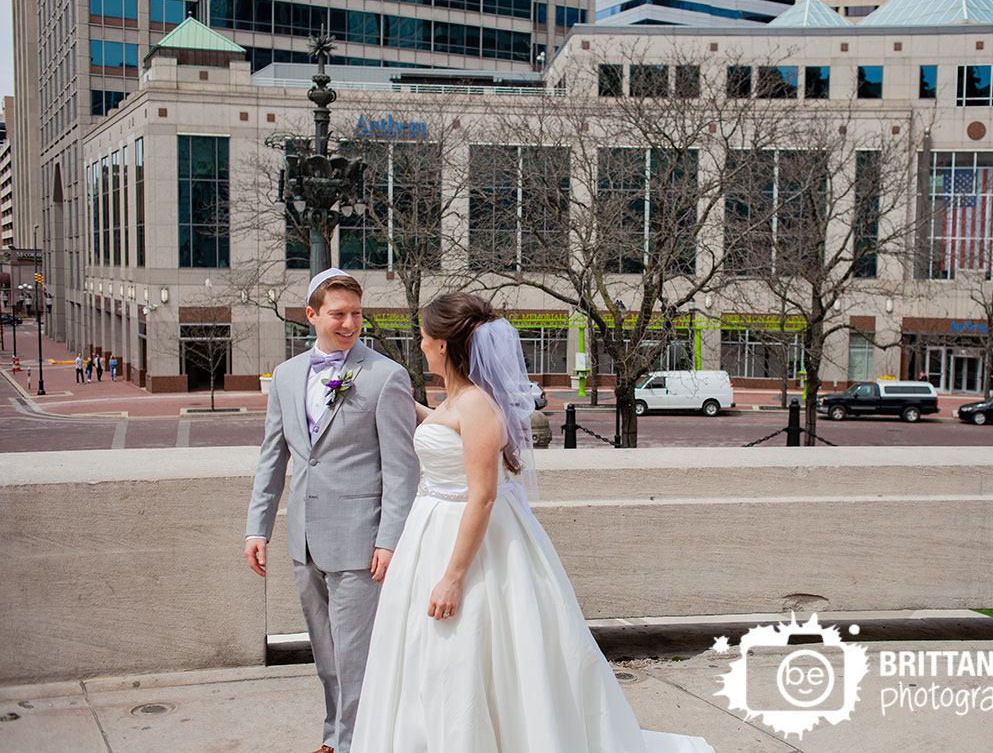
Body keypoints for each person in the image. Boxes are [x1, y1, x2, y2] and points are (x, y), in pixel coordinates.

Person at [352, 292, 712, 753]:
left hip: (467, 542)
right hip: (432, 529)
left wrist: (452, 577)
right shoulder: (456, 399)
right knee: (433, 655)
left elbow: (481, 499)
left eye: (423, 336)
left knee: (471, 652)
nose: (420, 344)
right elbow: (441, 430)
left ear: (443, 344)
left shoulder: (477, 405)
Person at [244, 268, 419, 753]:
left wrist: (389, 539)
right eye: (338, 314)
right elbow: (273, 456)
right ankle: (338, 735)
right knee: (326, 654)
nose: (349, 324)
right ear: (312, 315)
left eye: (356, 314)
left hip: (360, 541)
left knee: (355, 655)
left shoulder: (386, 376)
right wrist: (257, 527)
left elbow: (401, 471)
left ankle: (350, 744)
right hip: (303, 538)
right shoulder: (285, 375)